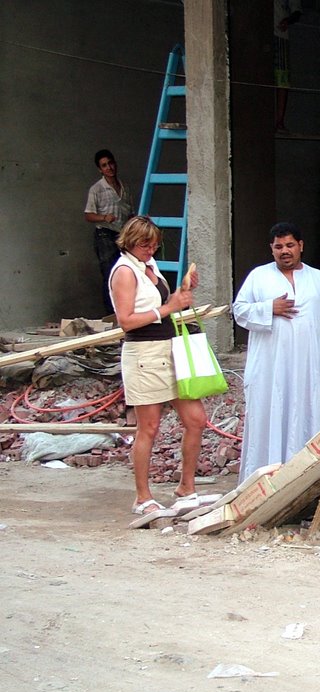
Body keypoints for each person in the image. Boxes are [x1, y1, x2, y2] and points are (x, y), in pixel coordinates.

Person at [232, 221, 320, 482]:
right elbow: (239, 310)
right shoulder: (259, 276)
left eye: (289, 245)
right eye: (278, 247)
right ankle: (261, 480)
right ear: (272, 249)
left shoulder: (317, 278)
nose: (284, 251)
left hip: (307, 367)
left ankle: (303, 479)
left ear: (300, 246)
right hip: (269, 367)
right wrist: (268, 308)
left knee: (305, 413)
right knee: (268, 413)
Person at [108, 216, 207, 517]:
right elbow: (126, 320)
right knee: (148, 427)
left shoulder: (148, 268)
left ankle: (186, 486)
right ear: (129, 242)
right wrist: (169, 307)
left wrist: (181, 293)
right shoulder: (125, 271)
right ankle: (142, 495)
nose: (150, 250)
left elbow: (164, 306)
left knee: (196, 419)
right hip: (144, 353)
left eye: (154, 245)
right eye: (144, 245)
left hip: (168, 348)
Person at [85, 149, 136, 313]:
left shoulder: (124, 187)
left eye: (111, 163)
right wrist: (103, 217)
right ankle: (111, 314)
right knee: (109, 275)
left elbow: (130, 212)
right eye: (104, 165)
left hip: (122, 235)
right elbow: (88, 215)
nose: (109, 168)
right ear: (100, 169)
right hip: (105, 235)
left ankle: (125, 311)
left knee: (125, 273)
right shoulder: (97, 189)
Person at [274, 0, 302, 132]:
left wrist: (288, 20)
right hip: (257, 36)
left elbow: (297, 12)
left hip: (280, 35)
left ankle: (279, 122)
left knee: (282, 80)